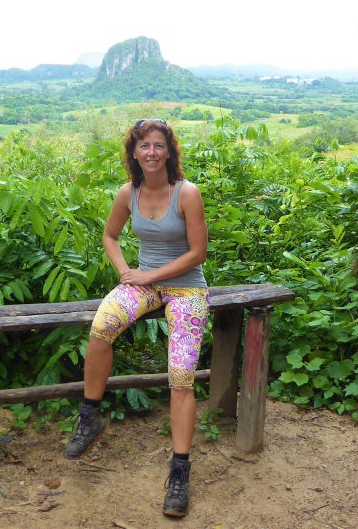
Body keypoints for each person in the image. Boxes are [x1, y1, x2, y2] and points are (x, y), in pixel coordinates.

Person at [65, 117, 210, 518]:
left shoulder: (187, 193)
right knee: (101, 327)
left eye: (158, 145)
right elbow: (109, 236)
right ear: (134, 152)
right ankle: (90, 416)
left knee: (181, 377)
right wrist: (125, 271)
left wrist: (150, 275)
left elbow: (198, 253)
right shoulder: (127, 193)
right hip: (144, 283)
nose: (151, 152)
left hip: (185, 288)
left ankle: (179, 471)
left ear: (169, 151)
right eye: (144, 145)